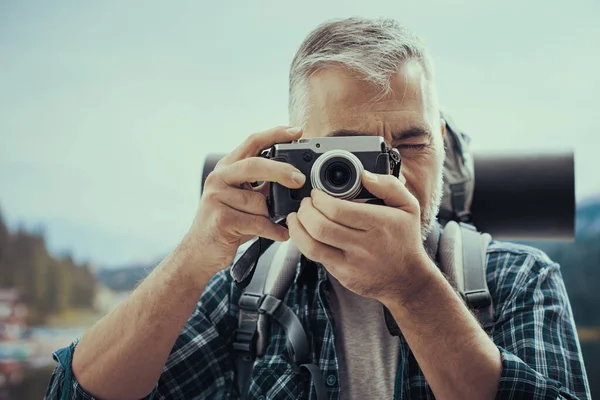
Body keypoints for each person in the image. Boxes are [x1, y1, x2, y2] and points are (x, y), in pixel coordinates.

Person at [45, 17, 591, 400]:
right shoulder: (253, 292)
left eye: (411, 143)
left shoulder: (517, 280)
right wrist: (193, 257)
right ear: (294, 154)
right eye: (345, 156)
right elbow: (77, 394)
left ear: (443, 146)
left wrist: (412, 287)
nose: (383, 175)